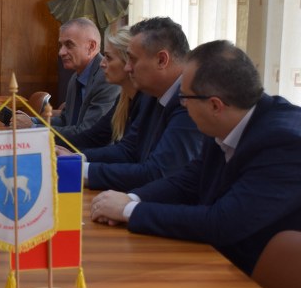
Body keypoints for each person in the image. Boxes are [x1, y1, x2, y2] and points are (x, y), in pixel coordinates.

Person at [90, 40, 301, 275]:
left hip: (258, 278)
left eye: (184, 98)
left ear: (215, 105)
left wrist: (129, 211)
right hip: (217, 261)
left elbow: (223, 222)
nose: (182, 105)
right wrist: (130, 198)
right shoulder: (226, 118)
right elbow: (190, 180)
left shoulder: (285, 142)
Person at [82, 17, 205, 191]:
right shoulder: (152, 92)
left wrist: (81, 171)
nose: (127, 68)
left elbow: (158, 173)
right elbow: (129, 150)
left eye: (132, 59)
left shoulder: (191, 101)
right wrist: (77, 159)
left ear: (162, 60)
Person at [14, 18, 120, 138]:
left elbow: (89, 133)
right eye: (61, 45)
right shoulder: (75, 78)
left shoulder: (107, 78)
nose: (61, 52)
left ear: (91, 46)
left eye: (69, 45)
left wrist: (33, 128)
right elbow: (66, 120)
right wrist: (32, 121)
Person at [58, 27, 142, 150]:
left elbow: (126, 153)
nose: (102, 63)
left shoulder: (145, 101)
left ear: (128, 62)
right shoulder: (123, 98)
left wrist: (78, 157)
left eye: (109, 57)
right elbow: (94, 136)